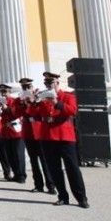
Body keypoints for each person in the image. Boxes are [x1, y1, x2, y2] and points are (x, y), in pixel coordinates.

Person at [38, 72, 89, 209]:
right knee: (54, 169)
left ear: (57, 83)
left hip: (64, 136)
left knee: (72, 168)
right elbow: (34, 114)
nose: (48, 86)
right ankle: (62, 196)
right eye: (46, 84)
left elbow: (72, 111)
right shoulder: (42, 99)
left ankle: (81, 197)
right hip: (48, 136)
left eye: (50, 83)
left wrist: (57, 103)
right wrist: (31, 101)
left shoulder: (67, 96)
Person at [16, 77, 55, 194]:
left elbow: (44, 111)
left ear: (32, 87)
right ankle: (38, 185)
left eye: (28, 87)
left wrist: (35, 101)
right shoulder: (21, 99)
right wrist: (24, 104)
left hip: (39, 130)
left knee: (44, 160)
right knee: (33, 160)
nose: (26, 89)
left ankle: (51, 185)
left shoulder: (41, 96)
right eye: (24, 87)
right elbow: (17, 113)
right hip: (28, 131)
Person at [0, 84, 27, 184]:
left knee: (19, 155)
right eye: (2, 92)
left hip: (16, 131)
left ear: (9, 92)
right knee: (10, 155)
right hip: (6, 132)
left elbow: (17, 114)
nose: (3, 93)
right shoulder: (0, 103)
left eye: (5, 91)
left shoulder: (14, 101)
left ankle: (22, 175)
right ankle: (16, 174)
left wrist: (7, 109)